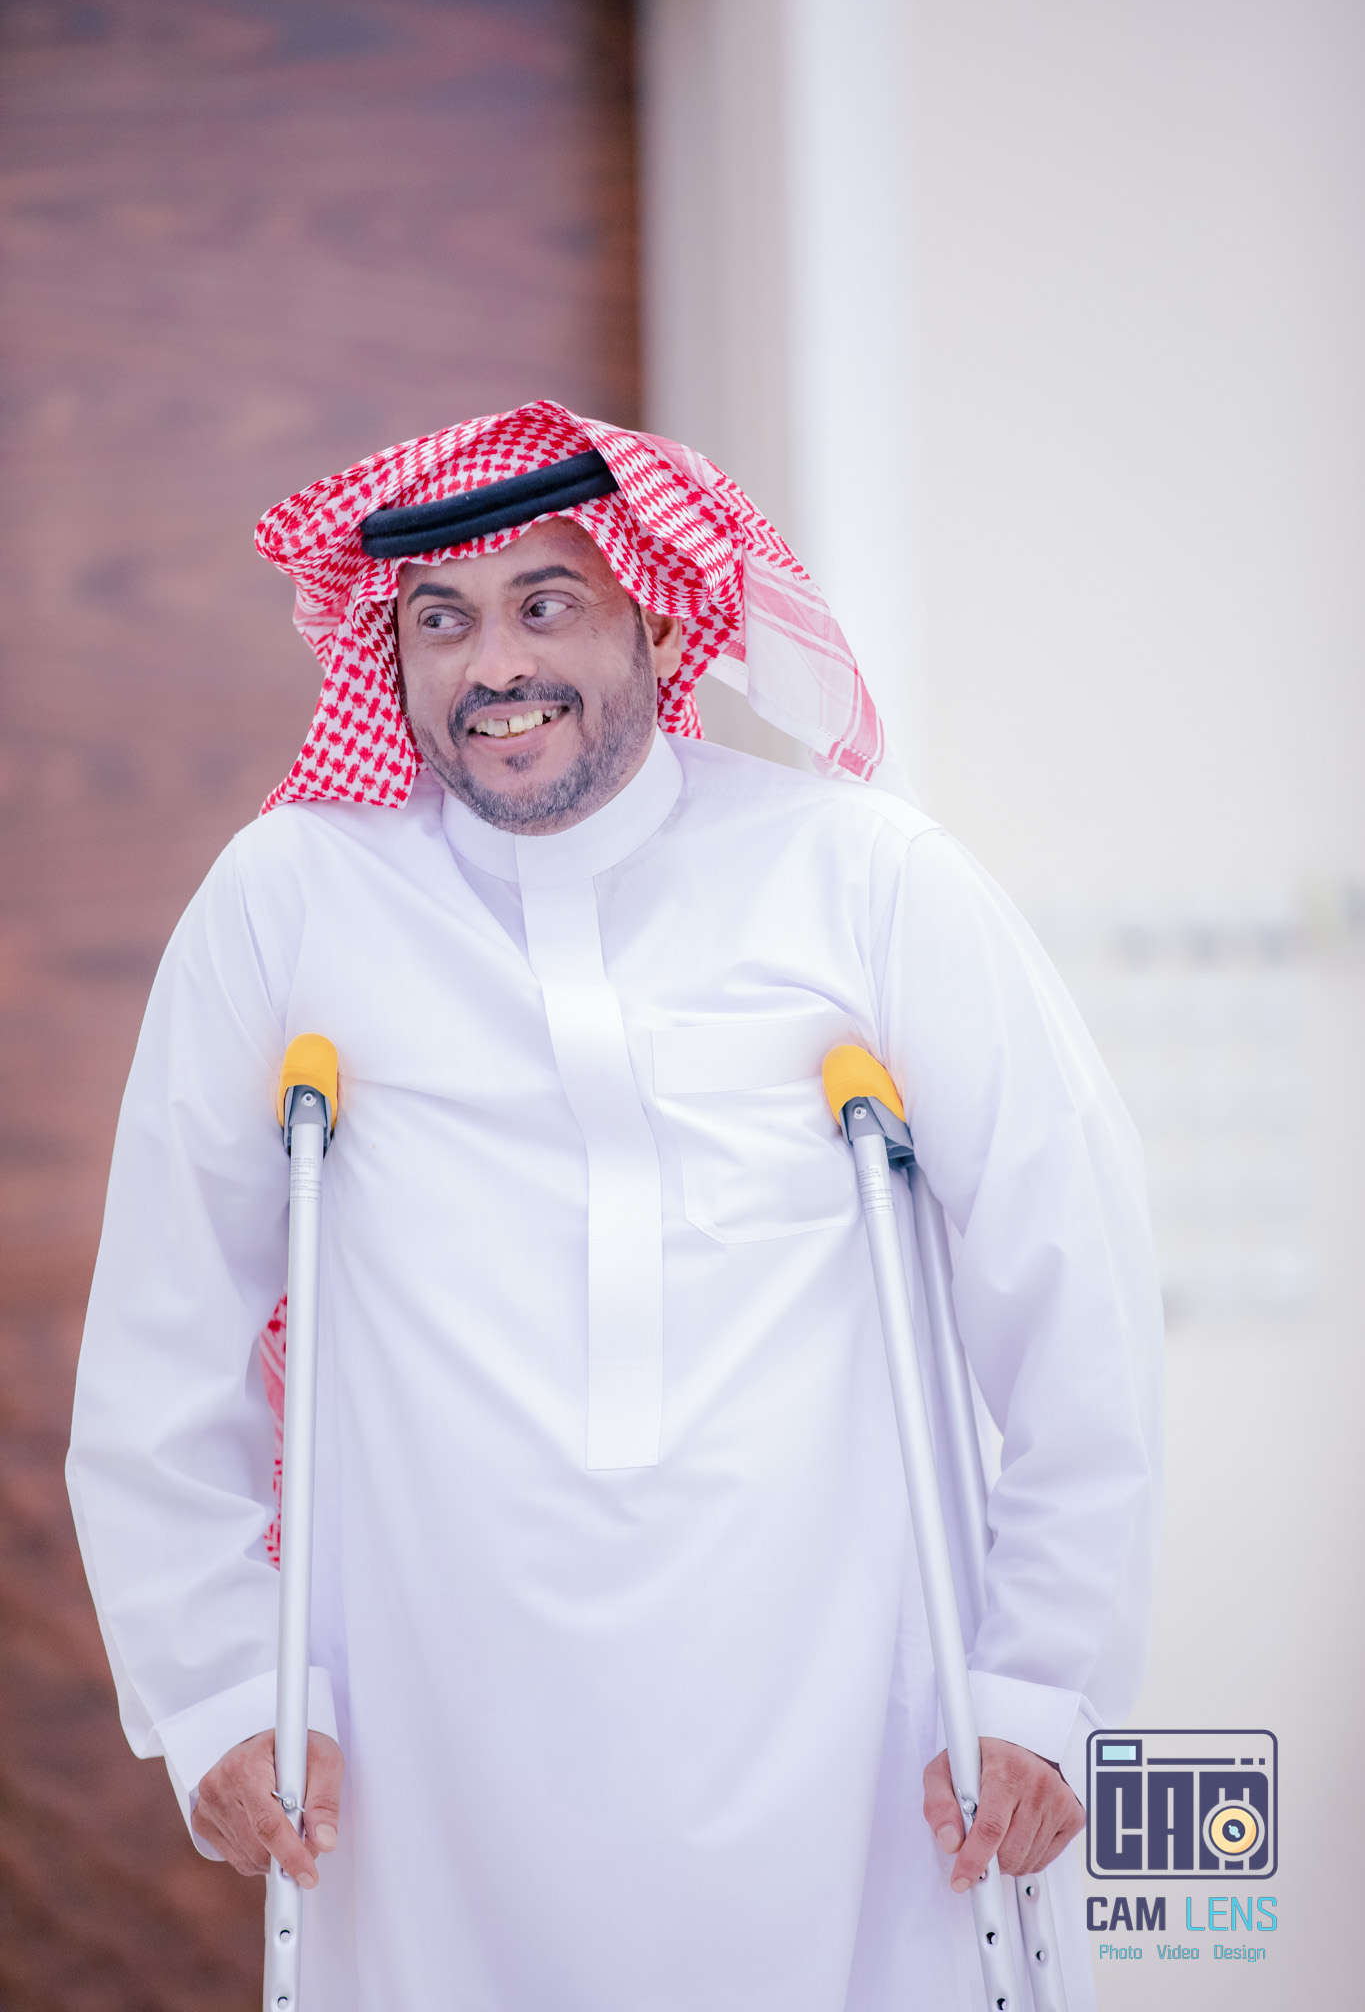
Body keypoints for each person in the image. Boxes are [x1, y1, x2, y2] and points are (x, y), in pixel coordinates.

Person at [67, 400, 1161, 2011]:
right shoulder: (293, 897)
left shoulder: (865, 877)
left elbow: (1074, 1300)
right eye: (439, 621)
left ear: (655, 616)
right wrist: (221, 1685)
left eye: (546, 603)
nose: (492, 664)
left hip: (855, 1719)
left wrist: (1041, 1684)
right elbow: (165, 1334)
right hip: (433, 1730)